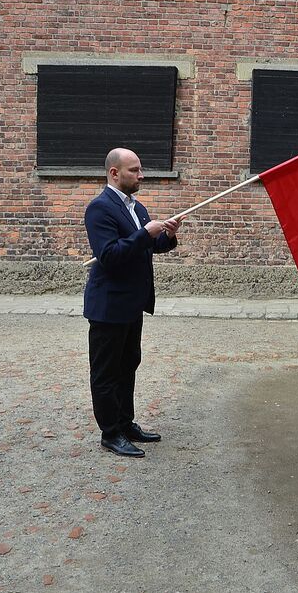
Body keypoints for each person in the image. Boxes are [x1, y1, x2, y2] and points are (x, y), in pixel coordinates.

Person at [83, 148, 182, 457]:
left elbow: (146, 247)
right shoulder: (99, 208)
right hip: (108, 307)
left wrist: (168, 236)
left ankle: (126, 423)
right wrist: (144, 235)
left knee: (128, 366)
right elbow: (110, 257)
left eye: (141, 169)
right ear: (115, 173)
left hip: (131, 304)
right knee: (106, 372)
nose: (142, 175)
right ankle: (110, 433)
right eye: (135, 170)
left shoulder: (135, 206)